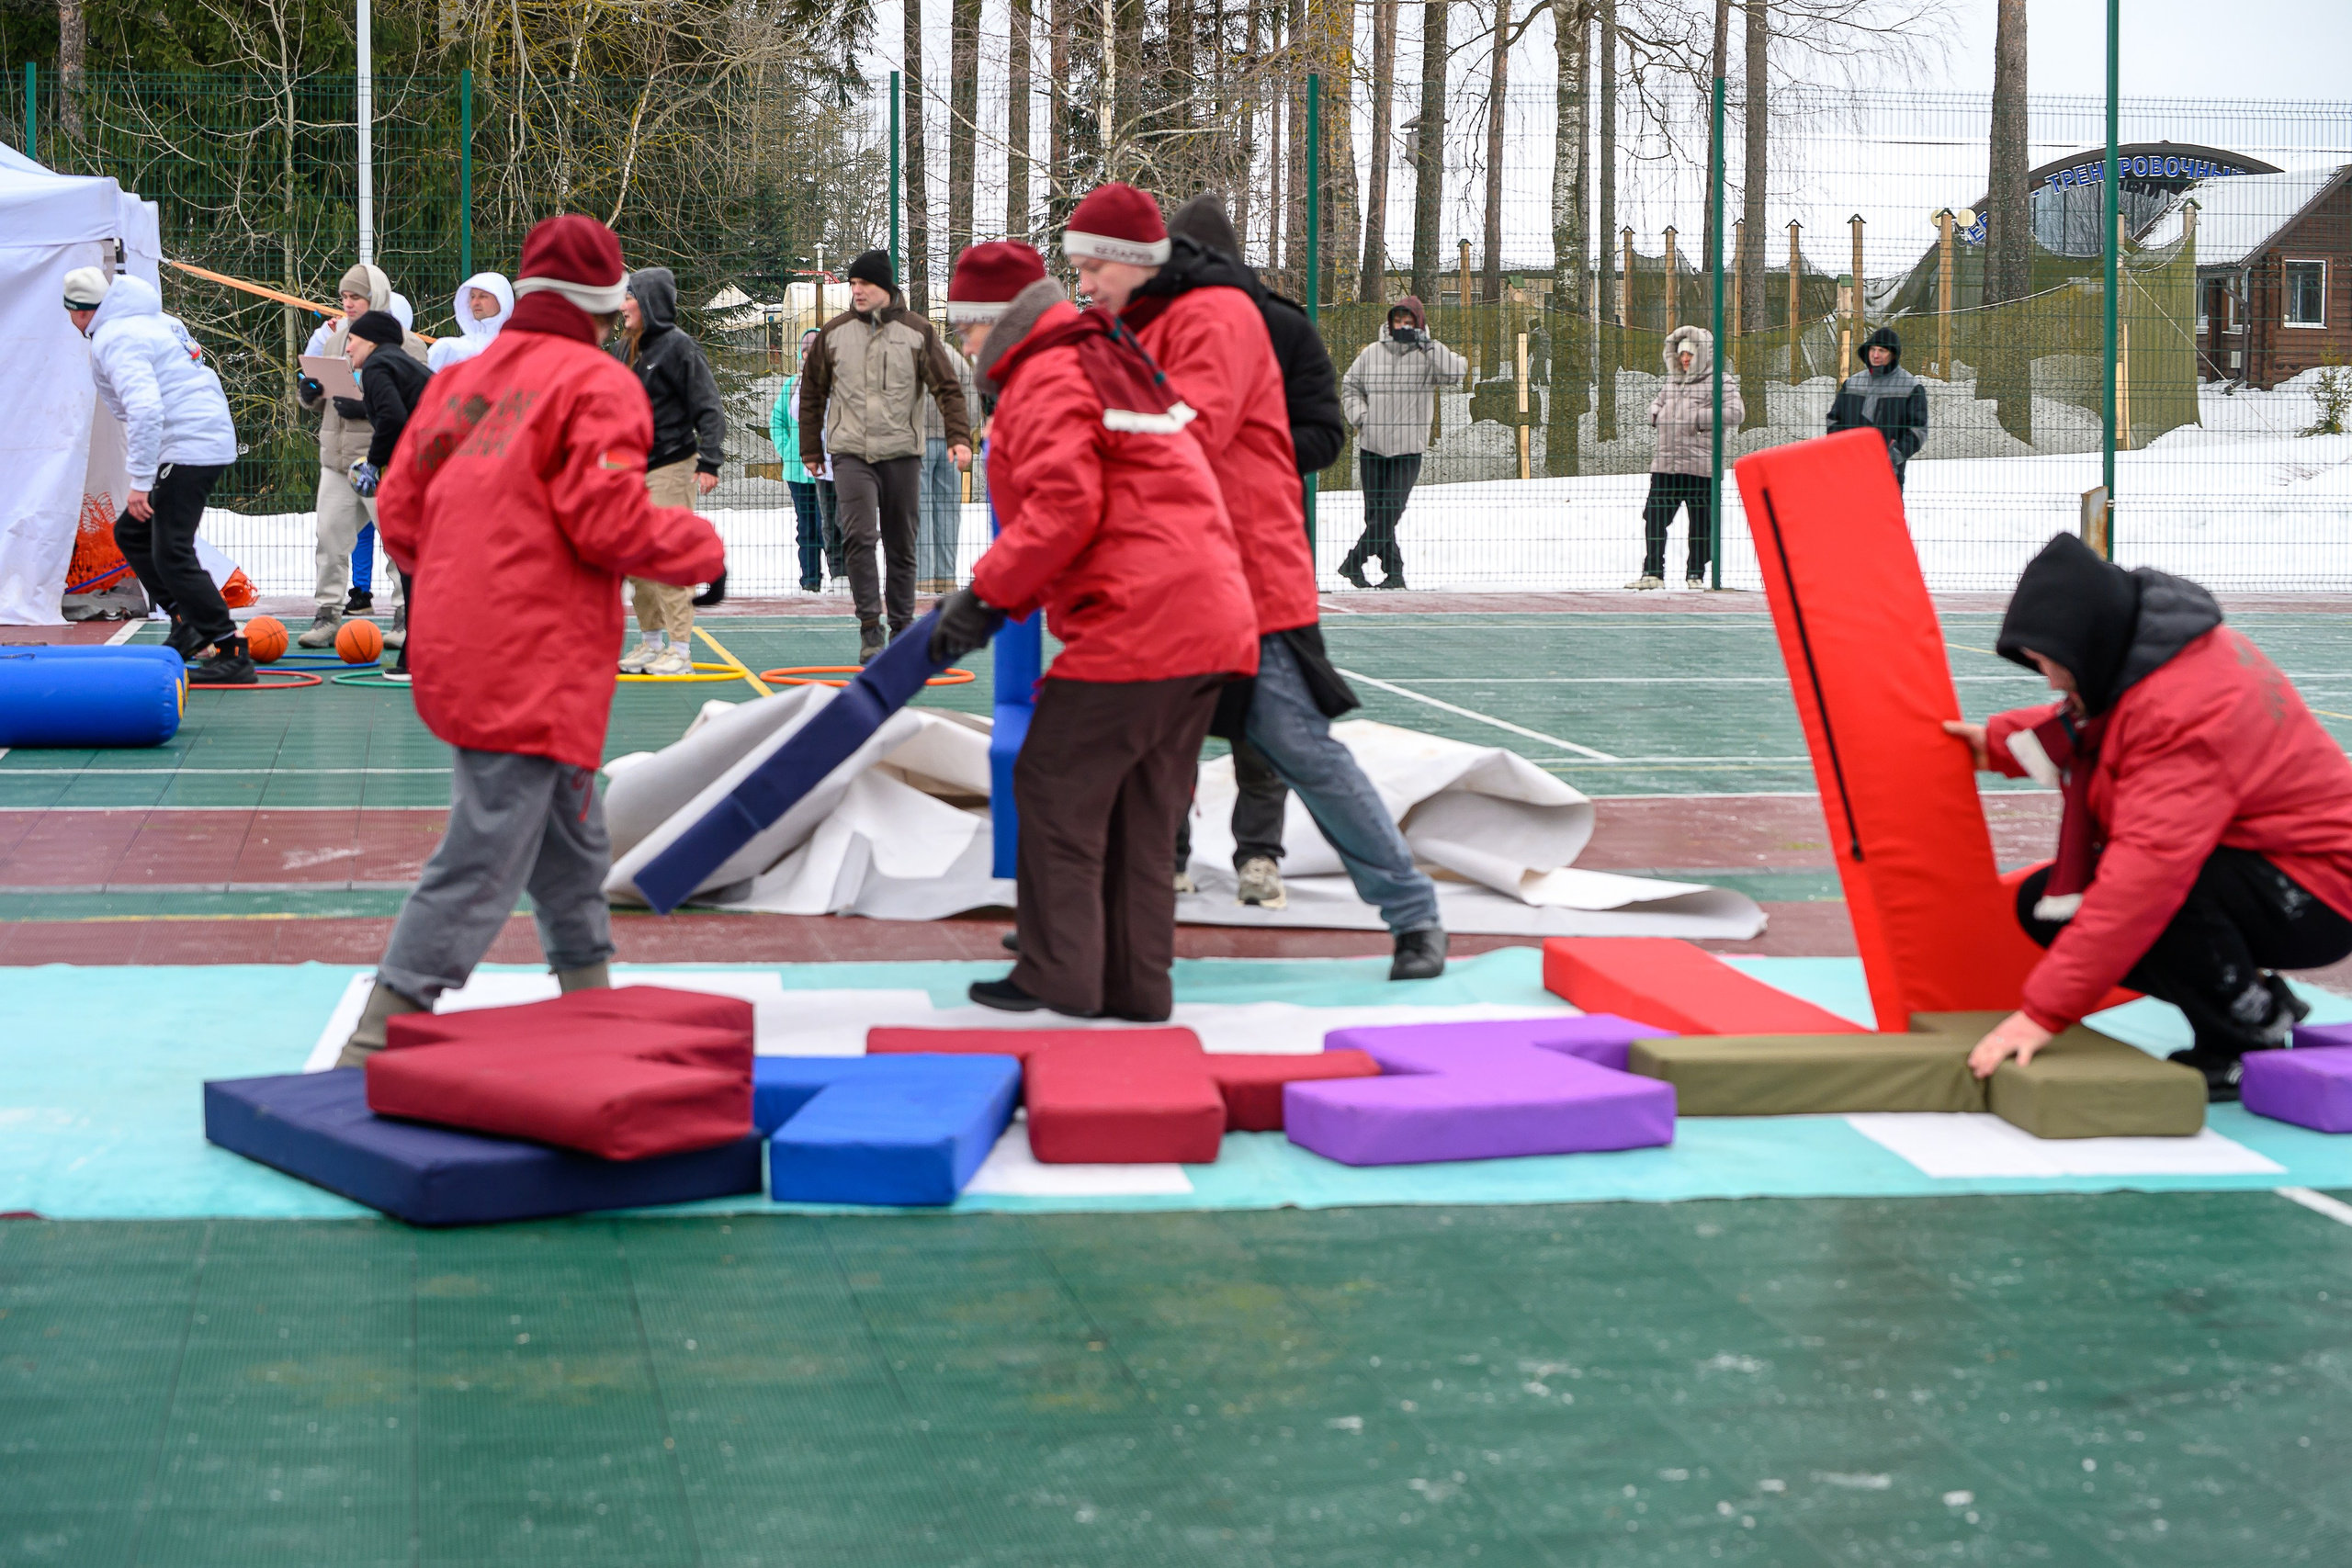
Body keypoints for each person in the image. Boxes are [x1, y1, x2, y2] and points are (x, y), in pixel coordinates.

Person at [337, 213, 727, 1065]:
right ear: (603, 301)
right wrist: (698, 551)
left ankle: (588, 992)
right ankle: (378, 1036)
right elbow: (605, 517)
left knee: (569, 831)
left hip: (462, 637)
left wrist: (453, 582)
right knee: (486, 844)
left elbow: (400, 509)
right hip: (540, 650)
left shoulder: (463, 381)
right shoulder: (598, 384)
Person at [1085, 182, 1450, 980]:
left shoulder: (1252, 323)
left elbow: (1261, 429)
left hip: (1246, 572)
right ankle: (1102, 902)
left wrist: (1238, 438)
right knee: (1135, 742)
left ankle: (1397, 906)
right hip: (1175, 572)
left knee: (1290, 747)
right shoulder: (1141, 324)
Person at [931, 241, 1259, 1022]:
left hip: (1141, 622)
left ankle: (1060, 974)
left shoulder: (1047, 377)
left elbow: (1063, 512)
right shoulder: (1107, 358)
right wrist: (1007, 597)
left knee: (1052, 782)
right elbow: (1118, 505)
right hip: (1209, 615)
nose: (964, 347)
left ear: (996, 323)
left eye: (967, 329)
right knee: (1142, 810)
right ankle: (1138, 987)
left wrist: (983, 598)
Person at [1943, 535, 2352, 1100]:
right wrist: (1996, 743)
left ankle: (2243, 1036)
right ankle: (2251, 997)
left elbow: (2145, 877)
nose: (2054, 683)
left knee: (2160, 892)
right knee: (2045, 907)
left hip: (2320, 894)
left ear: (2089, 644)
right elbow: (2102, 725)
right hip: (2272, 867)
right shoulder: (2167, 658)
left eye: (2050, 665)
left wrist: (2042, 1014)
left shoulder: (2189, 714)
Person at [1159, 191, 1344, 911]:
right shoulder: (1156, 325)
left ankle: (1259, 857)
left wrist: (1248, 448)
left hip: (1261, 550)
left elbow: (1324, 433)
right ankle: (1167, 852)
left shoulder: (1284, 329)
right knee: (1167, 712)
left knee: (1269, 718)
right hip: (1178, 550)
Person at [65, 267, 245, 683]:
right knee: (133, 532)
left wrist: (140, 482)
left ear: (77, 313)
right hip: (200, 436)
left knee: (171, 549)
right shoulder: (155, 321)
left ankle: (230, 647)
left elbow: (145, 410)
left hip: (189, 444)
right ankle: (187, 620)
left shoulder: (114, 338)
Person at [798, 249, 972, 663]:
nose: (856, 291)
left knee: (901, 541)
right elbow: (811, 393)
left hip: (901, 452)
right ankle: (869, 628)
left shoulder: (918, 332)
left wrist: (958, 437)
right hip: (849, 452)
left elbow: (947, 388)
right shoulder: (834, 333)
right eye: (853, 285)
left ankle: (902, 628)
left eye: (864, 285)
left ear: (885, 287)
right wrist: (810, 448)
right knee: (858, 534)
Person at [296, 264, 427, 648]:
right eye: (344, 297)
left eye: (356, 296)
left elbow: (411, 405)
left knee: (397, 540)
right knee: (329, 539)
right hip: (336, 461)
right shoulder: (338, 339)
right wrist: (311, 397)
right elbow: (328, 396)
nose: (347, 303)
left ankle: (407, 616)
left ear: (377, 298)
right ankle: (328, 613)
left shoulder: (407, 344)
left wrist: (366, 408)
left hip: (381, 461)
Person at [613, 266, 725, 677]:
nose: (623, 305)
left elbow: (708, 406)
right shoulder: (625, 349)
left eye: (630, 297)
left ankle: (680, 649)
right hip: (630, 469)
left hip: (672, 465)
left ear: (650, 303)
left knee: (666, 556)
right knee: (635, 561)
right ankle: (651, 642)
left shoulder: (679, 348)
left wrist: (710, 460)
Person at [1339, 296, 1466, 591]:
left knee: (1392, 509)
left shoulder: (1428, 356)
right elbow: (1350, 386)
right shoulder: (1371, 353)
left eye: (1409, 322)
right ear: (1390, 322)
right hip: (1372, 445)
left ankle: (1353, 561)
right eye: (1398, 321)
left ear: (1419, 323)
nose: (1403, 326)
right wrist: (1361, 418)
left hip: (1409, 448)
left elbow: (1456, 372)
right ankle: (1394, 573)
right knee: (1375, 513)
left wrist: (1428, 344)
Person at [337, 310, 432, 680]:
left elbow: (394, 417)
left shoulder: (376, 366)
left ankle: (415, 656)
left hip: (428, 468)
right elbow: (408, 408)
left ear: (371, 340)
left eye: (352, 340)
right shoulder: (398, 363)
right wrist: (364, 408)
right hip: (450, 462)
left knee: (410, 556)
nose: (347, 347)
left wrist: (374, 464)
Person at [1630, 325, 1743, 591]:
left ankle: (1696, 574)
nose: (1685, 359)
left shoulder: (1721, 381)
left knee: (1701, 524)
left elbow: (1736, 413)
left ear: (1703, 354)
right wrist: (1655, 413)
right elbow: (1658, 402)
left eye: (1690, 354)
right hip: (1666, 465)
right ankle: (1652, 573)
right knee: (1654, 517)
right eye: (1681, 354)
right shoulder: (1672, 381)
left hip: (1700, 467)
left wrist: (1697, 420)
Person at [770, 327, 838, 592]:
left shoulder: (834, 382)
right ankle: (810, 580)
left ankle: (838, 578)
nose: (810, 355)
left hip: (827, 469)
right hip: (798, 472)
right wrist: (787, 449)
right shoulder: (791, 386)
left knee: (831, 525)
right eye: (807, 350)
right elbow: (777, 421)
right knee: (807, 527)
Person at [1828, 325, 1928, 489]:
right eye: (1872, 349)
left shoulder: (1910, 387)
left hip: (1889, 471)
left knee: (1884, 514)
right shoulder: (1852, 384)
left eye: (1882, 351)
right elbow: (1834, 420)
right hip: (1851, 468)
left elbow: (1918, 430)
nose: (1875, 355)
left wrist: (1893, 456)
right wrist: (1843, 450)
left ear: (1893, 354)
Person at [917, 337, 980, 592]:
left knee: (920, 509)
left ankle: (923, 579)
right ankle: (946, 577)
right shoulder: (954, 357)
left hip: (917, 441)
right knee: (948, 510)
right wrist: (963, 433)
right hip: (951, 442)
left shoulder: (911, 353)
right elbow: (973, 399)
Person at [426, 272, 514, 372]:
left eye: (483, 296)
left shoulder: (515, 346)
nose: (475, 302)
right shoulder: (452, 348)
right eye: (472, 297)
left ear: (501, 300)